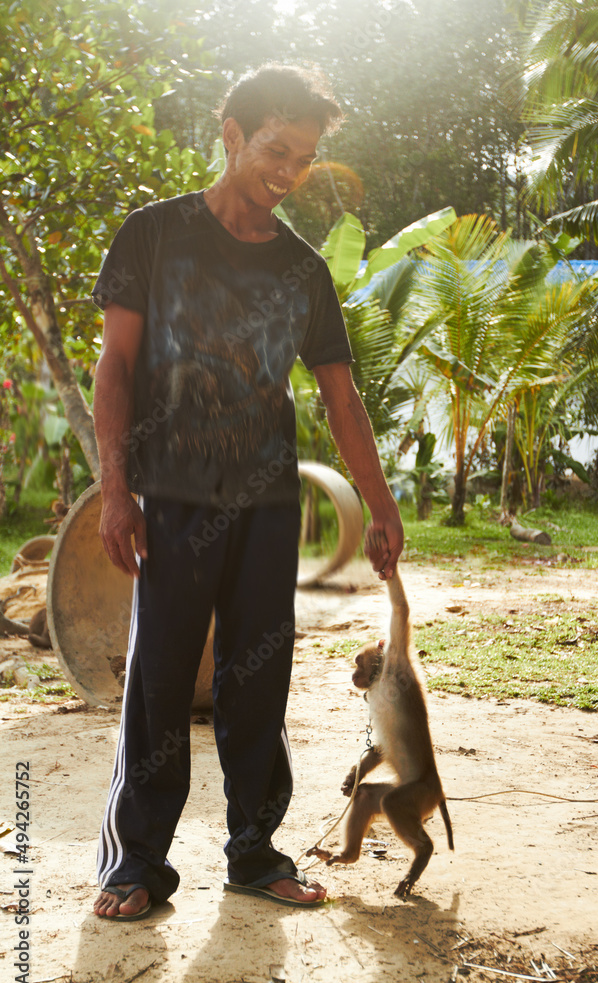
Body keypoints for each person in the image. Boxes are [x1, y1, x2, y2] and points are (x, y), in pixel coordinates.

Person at [91, 64, 403, 919]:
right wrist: (116, 491)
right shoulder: (154, 236)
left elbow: (341, 396)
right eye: (275, 150)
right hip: (175, 500)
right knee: (159, 680)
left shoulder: (303, 269)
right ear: (230, 135)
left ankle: (254, 852)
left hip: (266, 506)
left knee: (257, 685)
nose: (288, 173)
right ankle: (136, 866)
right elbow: (115, 366)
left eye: (303, 159)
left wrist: (378, 504)